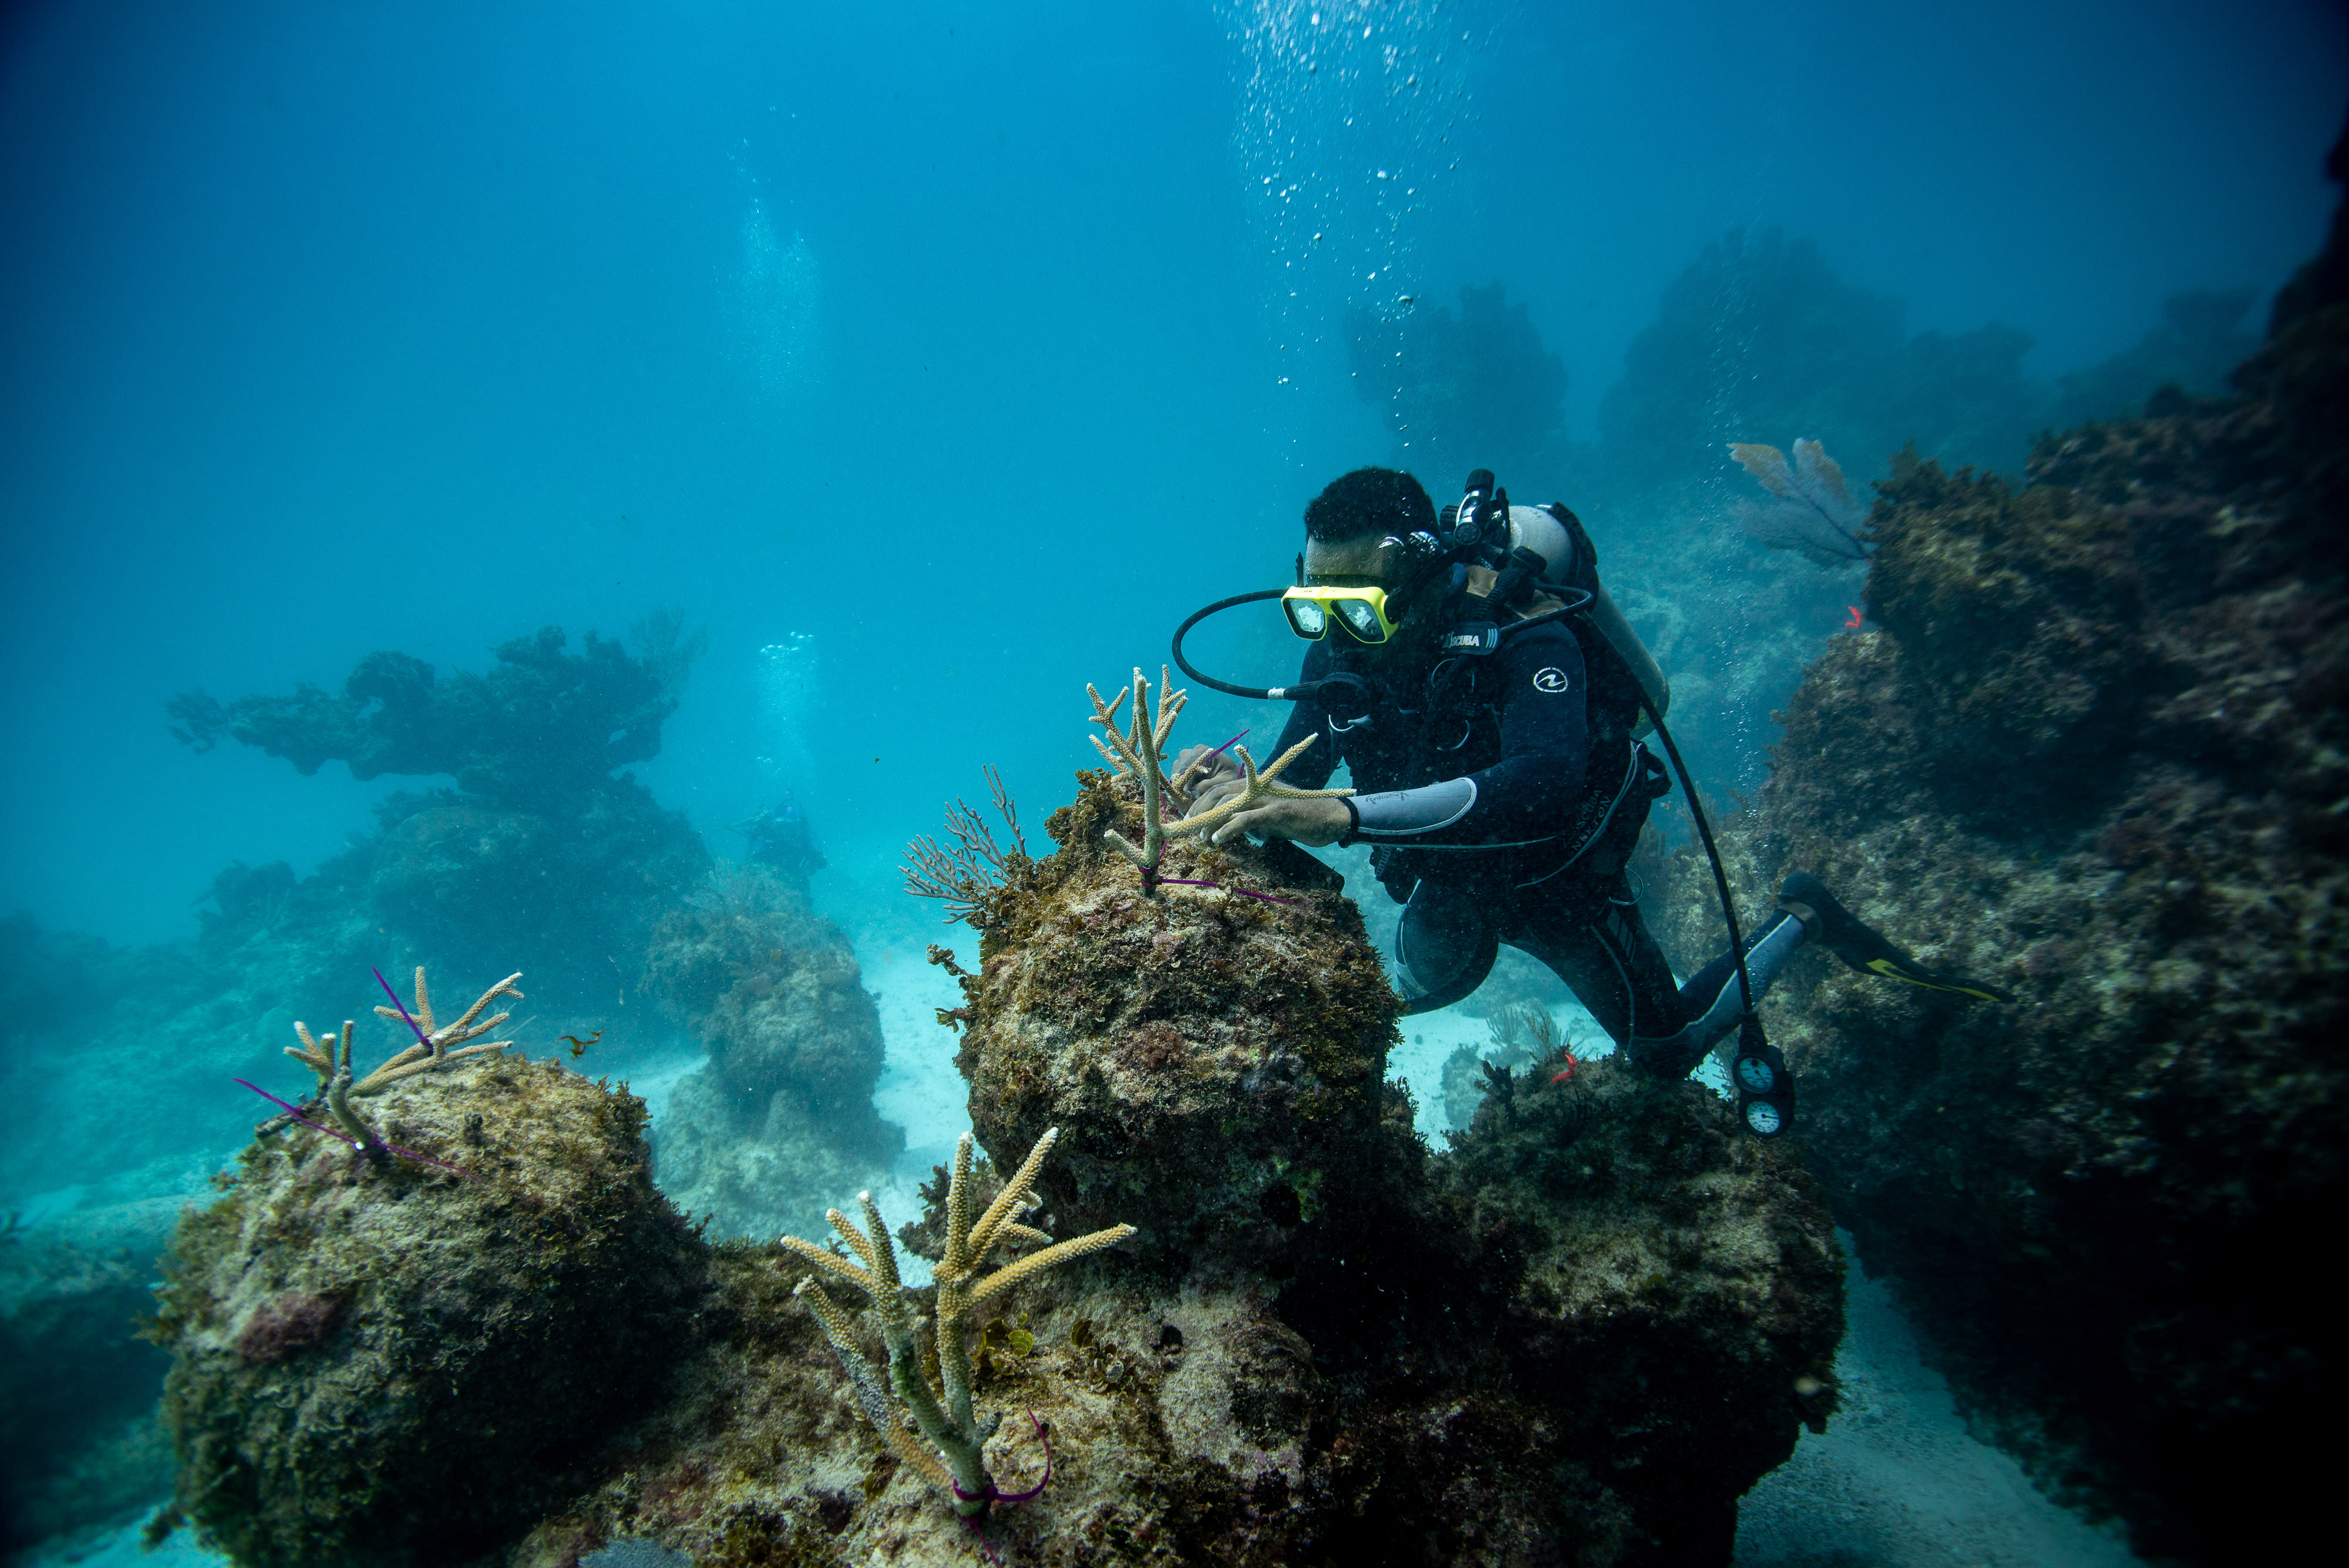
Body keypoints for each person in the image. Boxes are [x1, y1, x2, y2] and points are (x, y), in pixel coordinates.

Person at [1174, 467, 2005, 1127]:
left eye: (1355, 607)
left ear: (1422, 572)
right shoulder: (1344, 648)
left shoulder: (1527, 626)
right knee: (1405, 995)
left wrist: (1347, 816)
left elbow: (1542, 783)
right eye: (1312, 610)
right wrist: (1227, 787)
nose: (1335, 637)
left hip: (1560, 881)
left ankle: (1805, 915)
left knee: (1666, 1050)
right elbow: (1293, 778)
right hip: (1445, 877)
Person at [734, 793, 827, 886]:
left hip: (796, 879)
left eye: (788, 826)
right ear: (772, 825)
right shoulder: (766, 835)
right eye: (779, 826)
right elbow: (754, 859)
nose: (784, 831)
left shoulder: (804, 836)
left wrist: (812, 859)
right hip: (768, 879)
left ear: (796, 826)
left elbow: (822, 863)